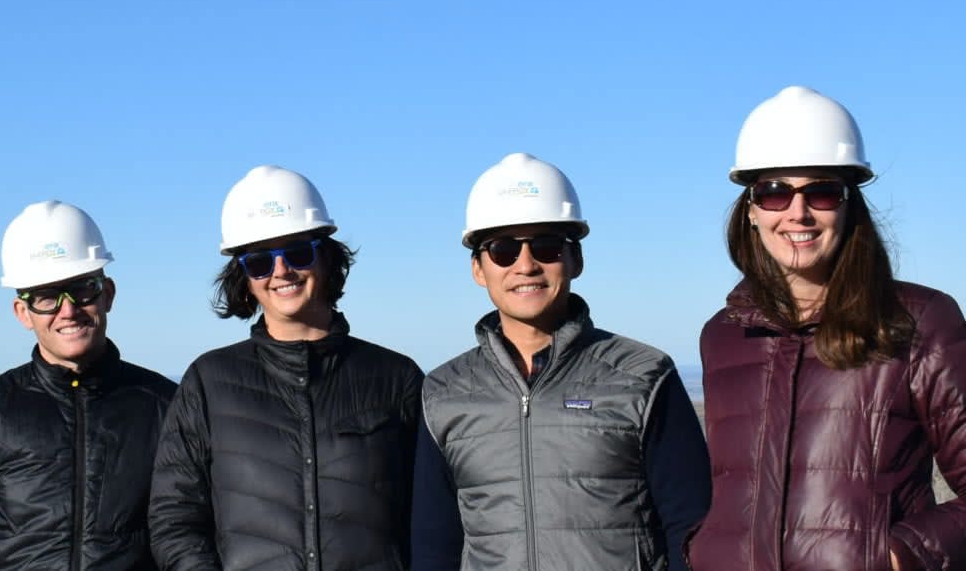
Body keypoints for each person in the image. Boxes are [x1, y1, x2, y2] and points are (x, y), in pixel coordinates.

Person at [689, 86, 966, 570]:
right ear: (751, 211)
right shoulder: (723, 335)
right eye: (774, 192)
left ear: (848, 205)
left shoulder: (917, 320)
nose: (798, 212)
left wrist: (902, 553)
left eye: (821, 191)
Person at [410, 152, 710, 571]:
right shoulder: (444, 392)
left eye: (547, 246)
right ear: (478, 268)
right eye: (503, 249)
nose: (526, 265)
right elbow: (433, 545)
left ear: (576, 260)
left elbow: (689, 527)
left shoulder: (643, 375)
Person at [150, 165, 424, 570]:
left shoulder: (395, 378)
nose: (281, 271)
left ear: (326, 257)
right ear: (243, 277)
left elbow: (432, 519)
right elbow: (175, 517)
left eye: (296, 252)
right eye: (259, 261)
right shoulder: (208, 383)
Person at [0, 200, 178, 570]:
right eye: (46, 297)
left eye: (81, 288)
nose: (67, 310)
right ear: (23, 312)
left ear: (107, 294)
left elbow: (188, 536)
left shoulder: (164, 406)